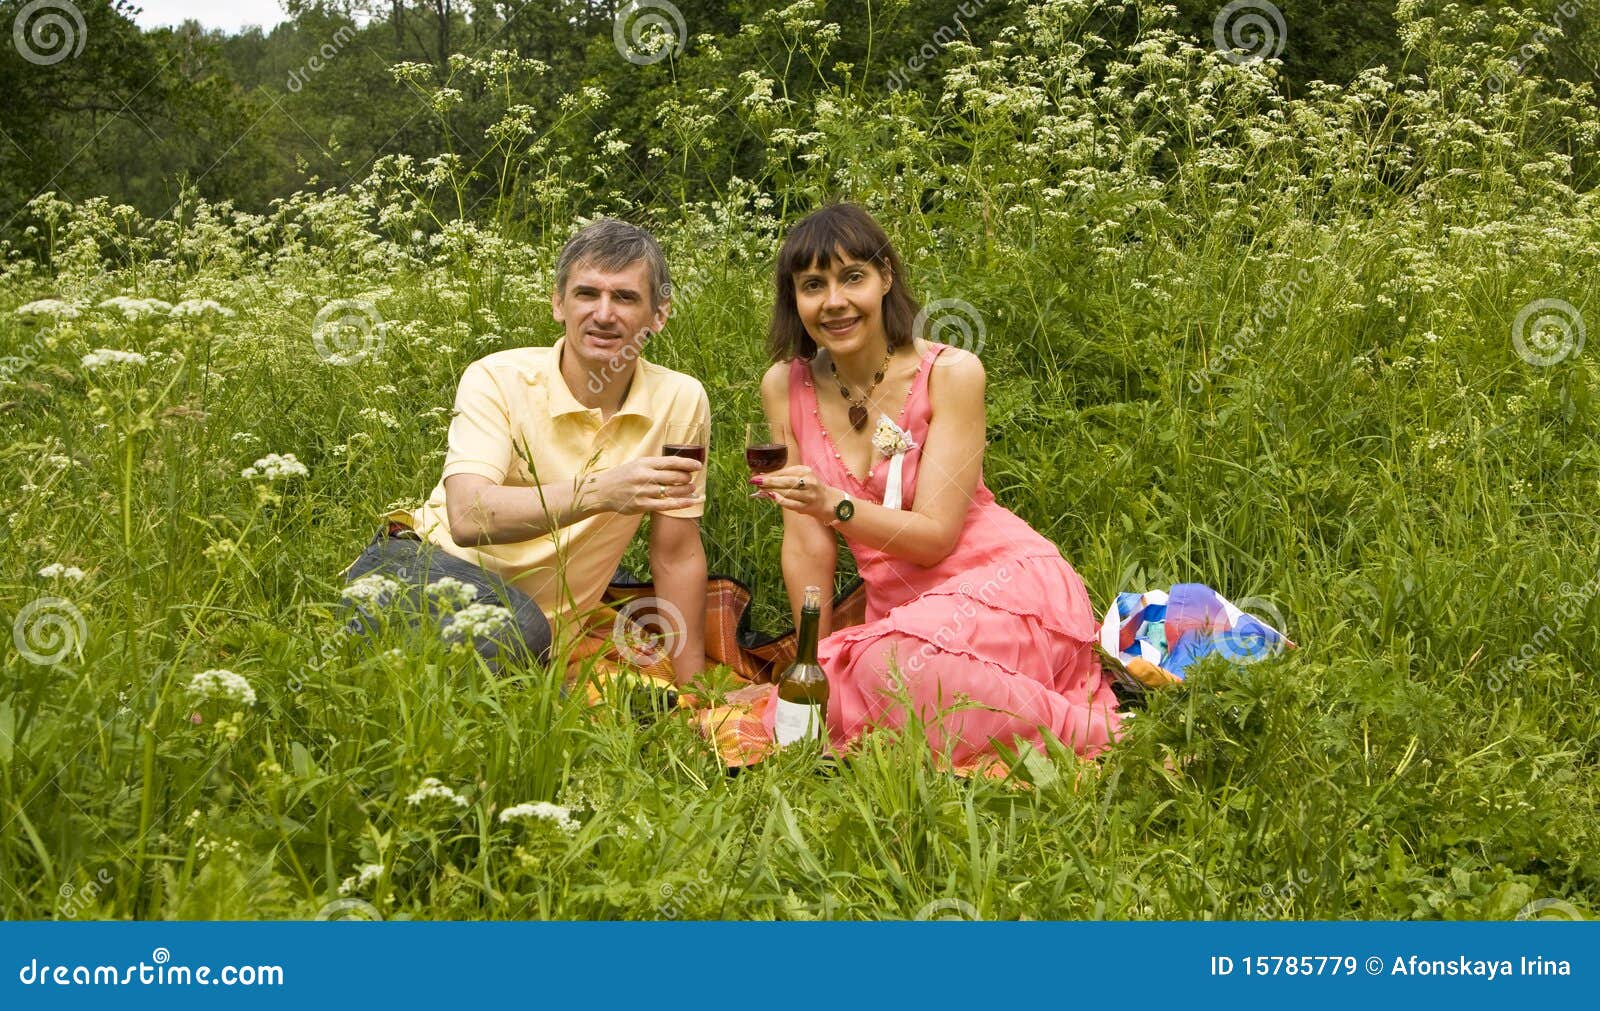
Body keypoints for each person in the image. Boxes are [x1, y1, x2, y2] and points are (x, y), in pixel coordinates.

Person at [751, 204, 1122, 767]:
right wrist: (816, 654)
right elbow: (806, 542)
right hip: (905, 616)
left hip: (1003, 582)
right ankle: (1012, 708)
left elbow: (936, 538)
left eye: (853, 277)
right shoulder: (786, 386)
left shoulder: (951, 373)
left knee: (885, 669)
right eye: (812, 285)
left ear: (885, 279)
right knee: (816, 698)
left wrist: (835, 504)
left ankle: (1104, 736)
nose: (834, 302)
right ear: (794, 299)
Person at [345, 219, 710, 680]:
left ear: (658, 314)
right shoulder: (497, 377)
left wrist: (696, 690)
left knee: (525, 642)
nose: (603, 314)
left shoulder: (681, 398)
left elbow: (676, 553)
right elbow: (467, 518)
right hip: (419, 568)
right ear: (558, 303)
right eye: (585, 294)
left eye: (624, 297)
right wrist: (601, 491)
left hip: (534, 630)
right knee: (516, 631)